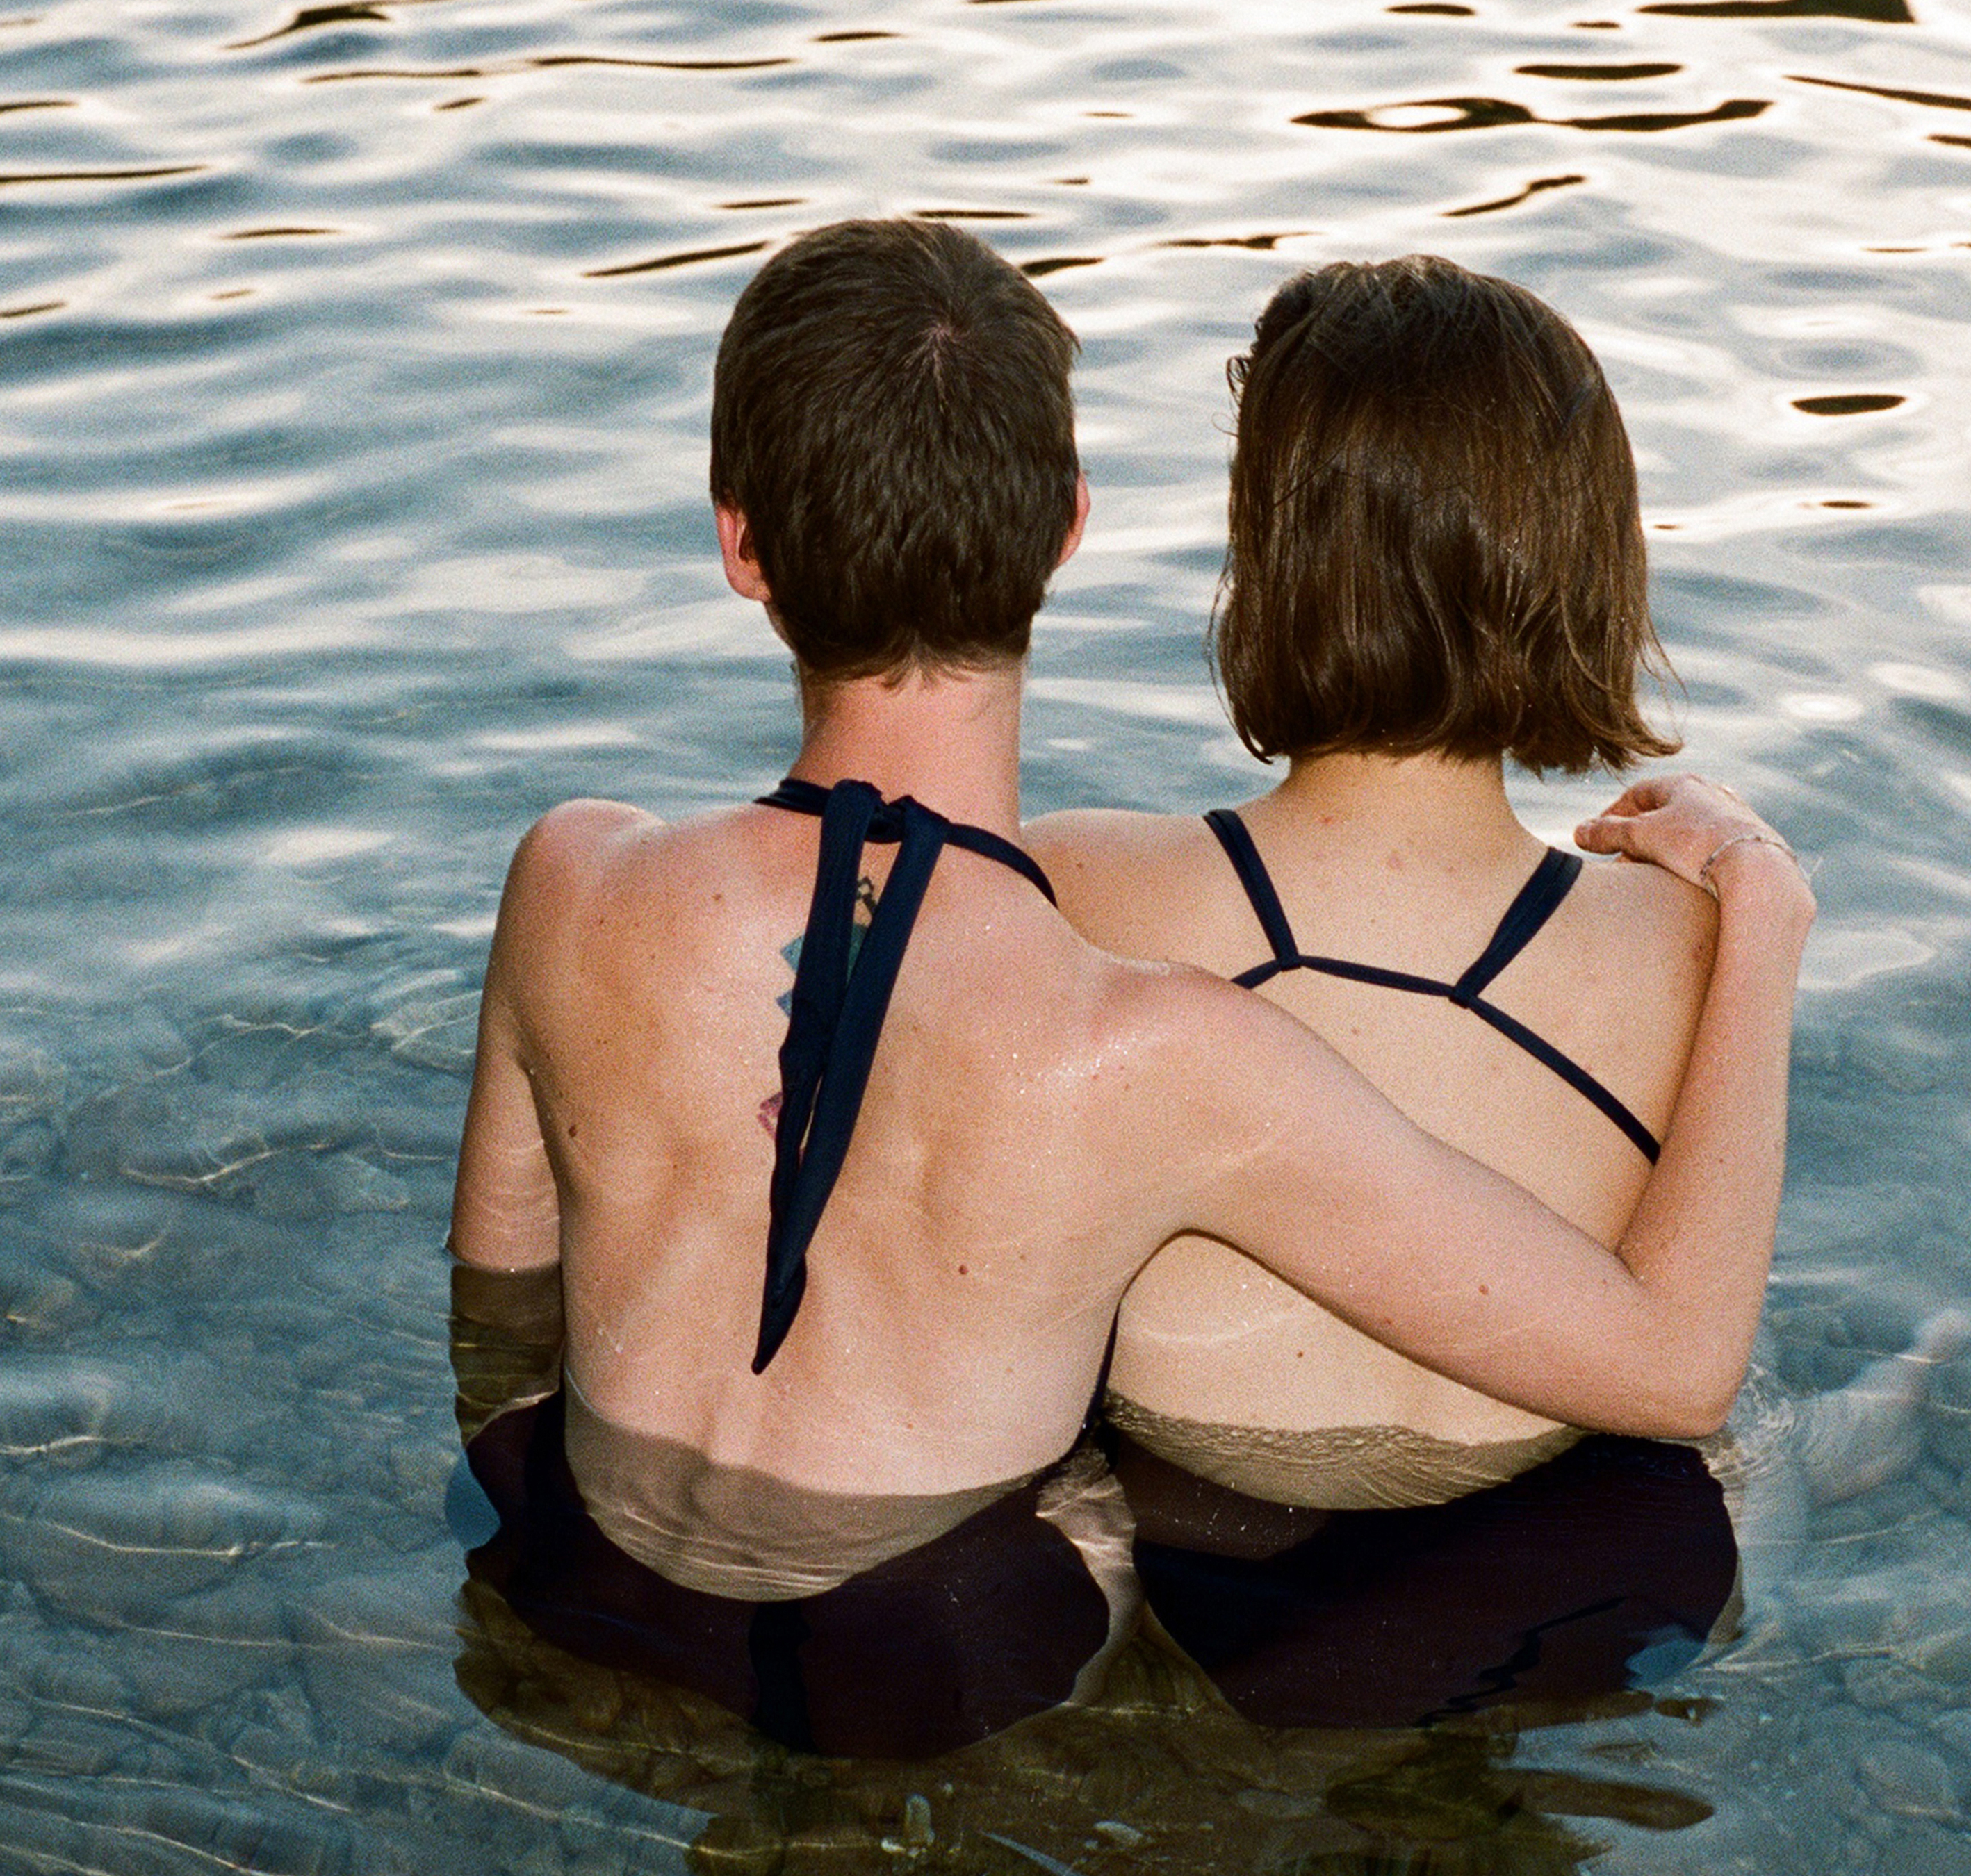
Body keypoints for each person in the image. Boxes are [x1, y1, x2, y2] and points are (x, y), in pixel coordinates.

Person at [446, 220, 1801, 1754]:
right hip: (940, 1654)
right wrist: (1765, 911)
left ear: (740, 544)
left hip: (556, 1562)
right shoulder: (1156, 1040)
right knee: (1099, 1520)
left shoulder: (568, 876)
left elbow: (498, 1311)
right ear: (1069, 529)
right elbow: (1677, 1371)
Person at [1024, 255, 1810, 1725]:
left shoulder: (1078, 887)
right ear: (1584, 564)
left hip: (1218, 1560)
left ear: (1269, 560)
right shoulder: (1687, 941)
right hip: (1609, 1564)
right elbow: (1699, 1349)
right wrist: (1766, 907)